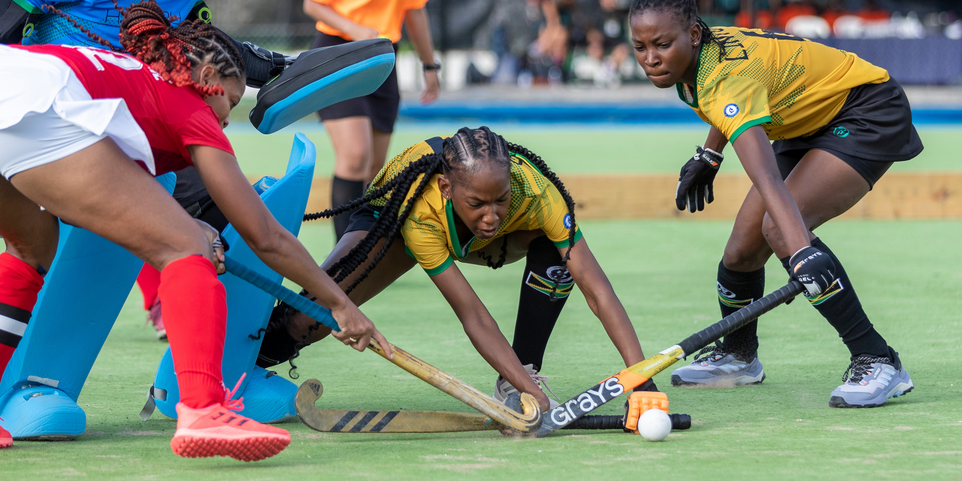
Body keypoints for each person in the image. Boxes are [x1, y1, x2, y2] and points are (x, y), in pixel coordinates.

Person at [0, 0, 313, 427]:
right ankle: (31, 388)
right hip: (58, 120)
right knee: (40, 245)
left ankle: (218, 376)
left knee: (224, 222)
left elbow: (196, 43)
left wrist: (266, 66)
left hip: (141, 117)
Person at [0, 0, 388, 458]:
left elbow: (111, 196)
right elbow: (265, 236)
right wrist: (340, 305)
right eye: (230, 100)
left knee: (30, 251)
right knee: (185, 249)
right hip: (33, 103)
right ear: (206, 76)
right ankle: (204, 410)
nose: (226, 118)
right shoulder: (187, 105)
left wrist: (186, 223)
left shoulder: (133, 86)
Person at [628, 0, 922, 408]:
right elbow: (726, 100)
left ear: (693, 34)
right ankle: (739, 355)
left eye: (662, 44)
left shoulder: (723, 77)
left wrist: (801, 249)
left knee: (781, 230)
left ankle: (877, 359)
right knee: (741, 252)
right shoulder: (700, 55)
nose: (651, 58)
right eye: (640, 46)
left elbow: (763, 170)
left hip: (865, 110)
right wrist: (710, 154)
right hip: (805, 119)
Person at [256, 127, 663, 425]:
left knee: (557, 252)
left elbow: (597, 288)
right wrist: (535, 397)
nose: (491, 215)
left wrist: (640, 378)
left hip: (489, 242)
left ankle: (518, 374)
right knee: (306, 319)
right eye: (478, 203)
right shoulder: (424, 210)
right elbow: (474, 316)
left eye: (501, 199)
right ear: (447, 188)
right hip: (392, 221)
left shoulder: (538, 192)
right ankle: (247, 366)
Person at [303, 0, 440, 241]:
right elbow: (313, 3)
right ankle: (343, 258)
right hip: (338, 55)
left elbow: (415, 12)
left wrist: (430, 65)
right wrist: (354, 29)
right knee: (355, 156)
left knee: (375, 170)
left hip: (382, 60)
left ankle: (364, 248)